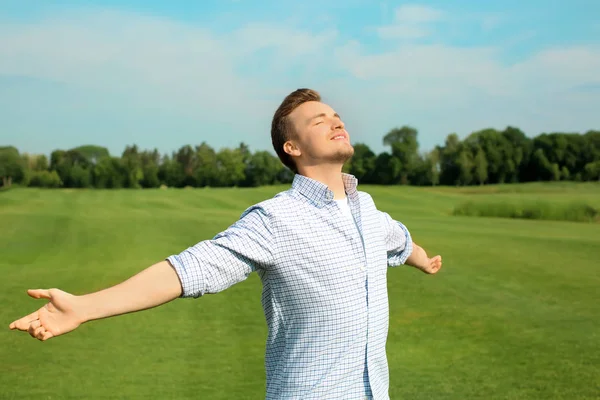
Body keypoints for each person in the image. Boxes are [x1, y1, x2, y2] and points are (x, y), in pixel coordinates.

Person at [9, 88, 442, 399]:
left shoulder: (368, 210)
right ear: (291, 146)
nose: (336, 121)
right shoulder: (277, 220)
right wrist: (85, 306)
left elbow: (399, 242)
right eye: (318, 120)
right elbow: (189, 269)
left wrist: (424, 261)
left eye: (336, 116)